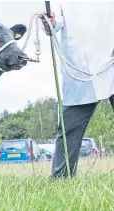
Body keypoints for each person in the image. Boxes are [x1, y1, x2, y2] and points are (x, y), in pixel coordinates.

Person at [40, 1, 114, 179]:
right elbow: (55, 22)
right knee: (69, 129)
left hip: (111, 56)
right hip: (80, 67)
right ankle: (60, 181)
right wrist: (49, 21)